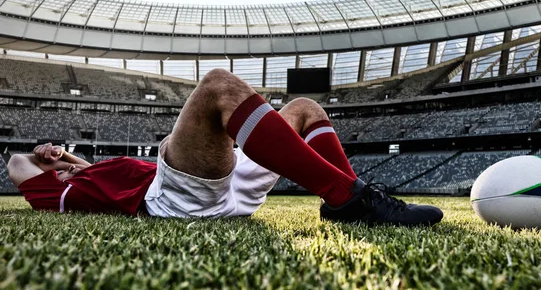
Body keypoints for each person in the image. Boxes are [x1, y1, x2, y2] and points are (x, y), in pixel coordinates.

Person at [8, 69, 443, 226]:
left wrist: (62, 156)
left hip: (227, 186)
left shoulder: (87, 173)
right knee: (218, 86)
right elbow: (16, 163)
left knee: (305, 108)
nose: (64, 167)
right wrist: (38, 158)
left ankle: (347, 200)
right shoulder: (54, 193)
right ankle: (349, 197)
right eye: (59, 170)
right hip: (180, 201)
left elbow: (84, 169)